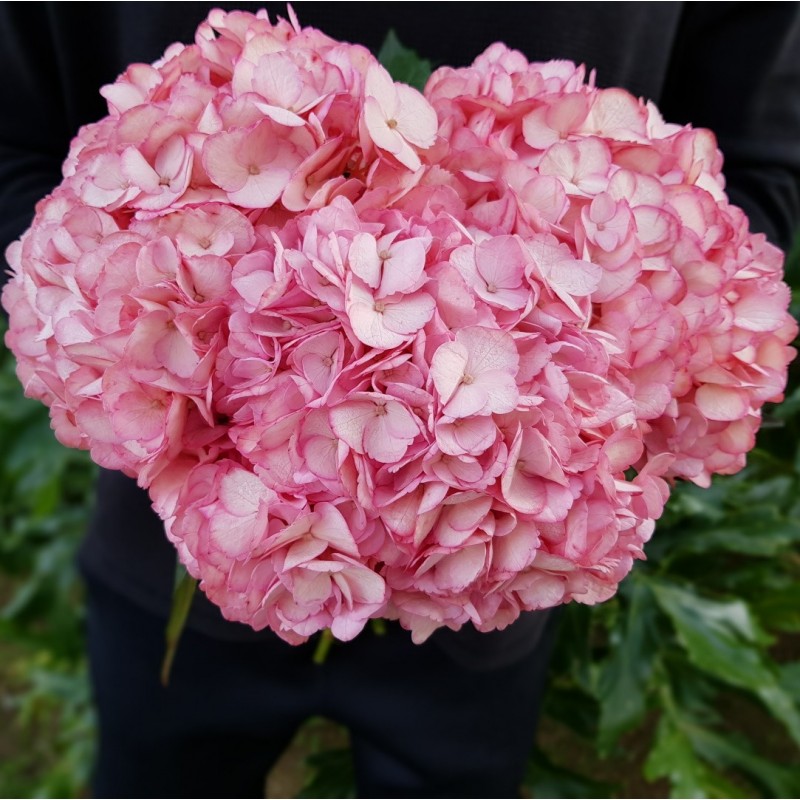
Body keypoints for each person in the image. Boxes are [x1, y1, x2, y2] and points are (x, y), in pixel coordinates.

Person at [1, 3, 799, 797]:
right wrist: (158, 339)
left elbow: (764, 169)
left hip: (490, 567)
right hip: (182, 569)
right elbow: (16, 144)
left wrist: (609, 348)